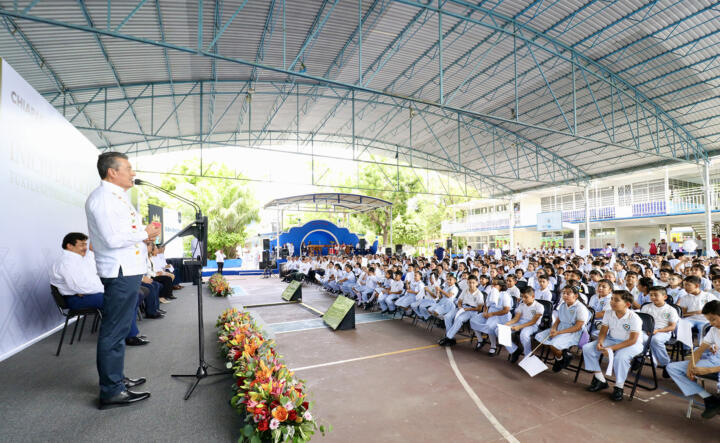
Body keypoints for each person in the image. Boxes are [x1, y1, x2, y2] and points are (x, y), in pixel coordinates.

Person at [86, 152, 161, 409]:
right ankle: (111, 391)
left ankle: (115, 380)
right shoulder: (104, 199)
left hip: (126, 269)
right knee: (114, 332)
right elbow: (111, 239)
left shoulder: (115, 197)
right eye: (128, 168)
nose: (133, 173)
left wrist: (143, 235)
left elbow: (123, 234)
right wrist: (145, 232)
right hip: (119, 272)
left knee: (118, 330)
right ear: (112, 172)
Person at [49, 232, 147, 347]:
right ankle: (129, 336)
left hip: (85, 295)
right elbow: (79, 286)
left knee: (131, 297)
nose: (85, 247)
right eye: (81, 245)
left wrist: (105, 289)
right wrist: (106, 290)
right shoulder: (66, 262)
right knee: (121, 299)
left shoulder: (78, 259)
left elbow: (92, 280)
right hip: (76, 299)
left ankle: (127, 333)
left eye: (85, 244)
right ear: (69, 246)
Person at [582, 290, 644, 401]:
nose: (612, 302)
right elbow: (604, 331)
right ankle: (600, 379)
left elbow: (633, 340)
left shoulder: (634, 318)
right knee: (588, 349)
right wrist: (600, 342)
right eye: (611, 299)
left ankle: (619, 387)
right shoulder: (608, 313)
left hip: (631, 343)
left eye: (616, 300)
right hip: (611, 339)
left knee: (621, 357)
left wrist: (610, 349)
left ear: (627, 304)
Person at [667, 300, 720, 419]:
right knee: (672, 368)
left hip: (715, 366)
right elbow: (700, 350)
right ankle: (710, 399)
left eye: (713, 319)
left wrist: (709, 370)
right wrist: (691, 365)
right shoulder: (713, 330)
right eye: (709, 320)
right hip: (714, 361)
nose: (711, 323)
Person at [535, 286, 589, 372]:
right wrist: (553, 328)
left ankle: (560, 358)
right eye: (563, 293)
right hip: (560, 329)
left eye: (568, 293)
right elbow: (558, 319)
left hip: (573, 332)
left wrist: (559, 332)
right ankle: (562, 357)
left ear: (575, 296)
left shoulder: (581, 308)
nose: (565, 295)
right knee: (541, 337)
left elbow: (577, 327)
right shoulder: (563, 305)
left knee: (554, 344)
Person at [640, 286, 679, 378]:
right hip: (646, 330)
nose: (652, 297)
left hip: (663, 331)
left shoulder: (671, 310)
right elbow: (641, 321)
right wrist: (647, 329)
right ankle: (639, 360)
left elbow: (672, 327)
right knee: (640, 338)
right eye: (651, 295)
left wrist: (657, 330)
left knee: (655, 340)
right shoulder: (646, 307)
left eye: (655, 295)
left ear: (664, 297)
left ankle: (666, 364)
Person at [439, 275, 484, 347]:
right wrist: (460, 307)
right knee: (447, 316)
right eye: (469, 282)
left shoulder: (479, 294)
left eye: (473, 282)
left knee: (459, 319)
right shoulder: (465, 290)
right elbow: (460, 301)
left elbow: (479, 309)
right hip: (462, 308)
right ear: (467, 282)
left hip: (471, 311)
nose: (471, 284)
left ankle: (448, 337)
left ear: (477, 283)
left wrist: (467, 309)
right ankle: (450, 337)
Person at [504, 286, 544, 363]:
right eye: (522, 297)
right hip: (520, 322)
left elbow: (533, 322)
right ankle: (514, 350)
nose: (523, 299)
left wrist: (519, 327)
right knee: (501, 331)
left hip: (532, 325)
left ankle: (527, 355)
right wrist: (507, 324)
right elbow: (516, 318)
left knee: (524, 334)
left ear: (533, 296)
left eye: (526, 297)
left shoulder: (539, 306)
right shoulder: (522, 305)